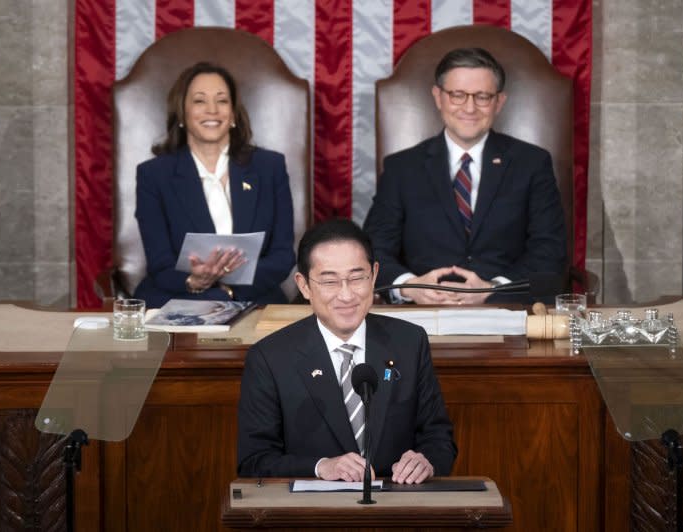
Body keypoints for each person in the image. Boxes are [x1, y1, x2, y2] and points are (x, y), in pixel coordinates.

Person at [237, 218, 457, 484]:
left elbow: (439, 439)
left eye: (356, 278)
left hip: (396, 509)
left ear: (374, 275)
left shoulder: (409, 342)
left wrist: (426, 461)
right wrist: (321, 467)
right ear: (304, 285)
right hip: (311, 516)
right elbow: (254, 461)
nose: (346, 295)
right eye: (330, 281)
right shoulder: (270, 357)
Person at [363, 47, 567, 305]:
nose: (469, 108)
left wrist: (493, 289)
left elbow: (549, 250)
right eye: (457, 95)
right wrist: (409, 287)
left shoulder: (532, 163)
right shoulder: (401, 168)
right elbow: (374, 249)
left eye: (482, 96)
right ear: (438, 97)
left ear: (499, 102)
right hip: (421, 315)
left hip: (505, 310)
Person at [134, 62, 295, 308]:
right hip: (178, 298)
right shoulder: (154, 175)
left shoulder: (269, 167)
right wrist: (192, 281)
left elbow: (283, 256)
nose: (212, 110)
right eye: (199, 101)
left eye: (222, 101)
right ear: (182, 113)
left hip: (255, 298)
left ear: (232, 114)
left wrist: (227, 291)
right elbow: (160, 262)